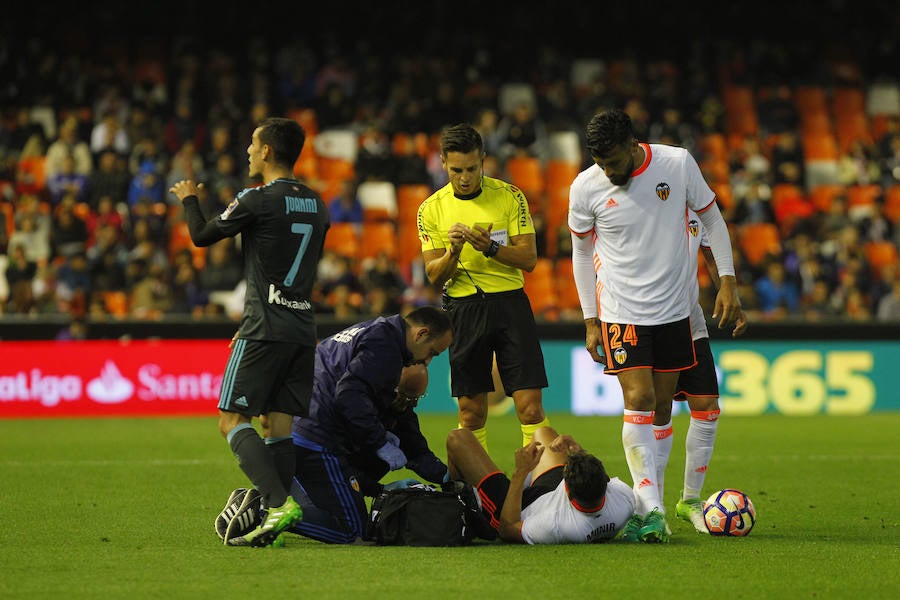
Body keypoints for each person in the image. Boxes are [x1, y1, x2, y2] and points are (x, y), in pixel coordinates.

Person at [568, 109, 742, 543]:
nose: (607, 171)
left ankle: (666, 503)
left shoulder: (677, 163)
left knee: (663, 408)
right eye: (600, 163)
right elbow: (579, 254)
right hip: (621, 312)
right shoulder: (584, 187)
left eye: (613, 161)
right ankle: (652, 507)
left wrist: (727, 281)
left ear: (632, 144)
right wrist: (590, 319)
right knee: (640, 398)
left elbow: (713, 220)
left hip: (674, 313)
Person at [169, 117, 329, 547]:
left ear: (268, 152)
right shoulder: (317, 204)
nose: (247, 152)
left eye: (252, 145)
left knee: (230, 420)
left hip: (265, 326)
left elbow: (203, 236)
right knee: (277, 425)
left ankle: (277, 504)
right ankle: (272, 517)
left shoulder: (257, 199)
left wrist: (189, 200)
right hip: (301, 327)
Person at [417, 123, 550, 454]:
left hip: (510, 306)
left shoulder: (509, 196)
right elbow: (434, 275)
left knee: (531, 409)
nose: (464, 177)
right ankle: (479, 495)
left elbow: (529, 259)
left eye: (472, 168)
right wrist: (453, 252)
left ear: (484, 161)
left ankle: (540, 489)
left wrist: (491, 248)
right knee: (471, 413)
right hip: (464, 309)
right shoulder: (431, 209)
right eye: (457, 169)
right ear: (443, 163)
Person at [286, 306, 453, 544]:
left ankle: (286, 493)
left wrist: (442, 475)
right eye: (432, 353)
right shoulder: (385, 347)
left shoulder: (376, 332)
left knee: (377, 441)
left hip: (299, 425)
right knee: (351, 530)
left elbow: (406, 433)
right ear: (421, 334)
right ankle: (265, 510)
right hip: (317, 436)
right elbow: (349, 396)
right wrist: (379, 443)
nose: (427, 361)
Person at [656, 210, 748, 534]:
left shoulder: (696, 209)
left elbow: (711, 254)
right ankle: (653, 504)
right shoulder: (643, 204)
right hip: (652, 323)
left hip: (691, 324)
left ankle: (690, 500)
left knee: (707, 406)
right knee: (659, 410)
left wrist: (729, 294)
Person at [445, 425, 634, 544]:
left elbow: (507, 529)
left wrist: (521, 472)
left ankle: (457, 506)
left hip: (517, 508)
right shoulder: (624, 499)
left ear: (567, 492)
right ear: (607, 480)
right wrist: (578, 453)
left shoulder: (554, 525)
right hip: (550, 494)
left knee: (457, 439)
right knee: (544, 433)